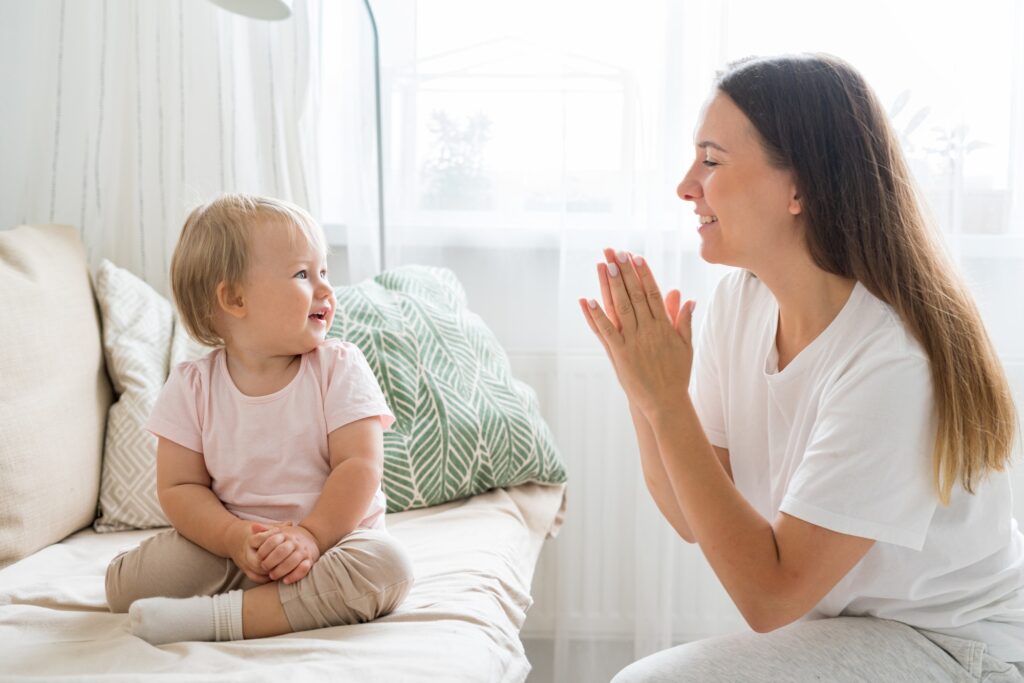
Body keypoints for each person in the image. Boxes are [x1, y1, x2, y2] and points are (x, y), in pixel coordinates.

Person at [580, 54, 1024, 682]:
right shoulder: (744, 298)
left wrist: (667, 402)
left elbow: (769, 596)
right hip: (858, 630)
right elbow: (690, 517)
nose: (686, 185)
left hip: (956, 644)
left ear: (800, 189)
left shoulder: (891, 357)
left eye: (711, 159)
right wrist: (643, 389)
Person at [105, 194, 414, 645]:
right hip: (234, 549)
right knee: (123, 585)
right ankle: (278, 599)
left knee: (387, 568)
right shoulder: (192, 386)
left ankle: (219, 619)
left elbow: (360, 466)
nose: (327, 289)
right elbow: (180, 488)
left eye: (324, 271)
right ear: (234, 298)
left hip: (332, 545)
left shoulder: (339, 367)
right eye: (303, 274)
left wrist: (310, 537)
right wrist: (233, 539)